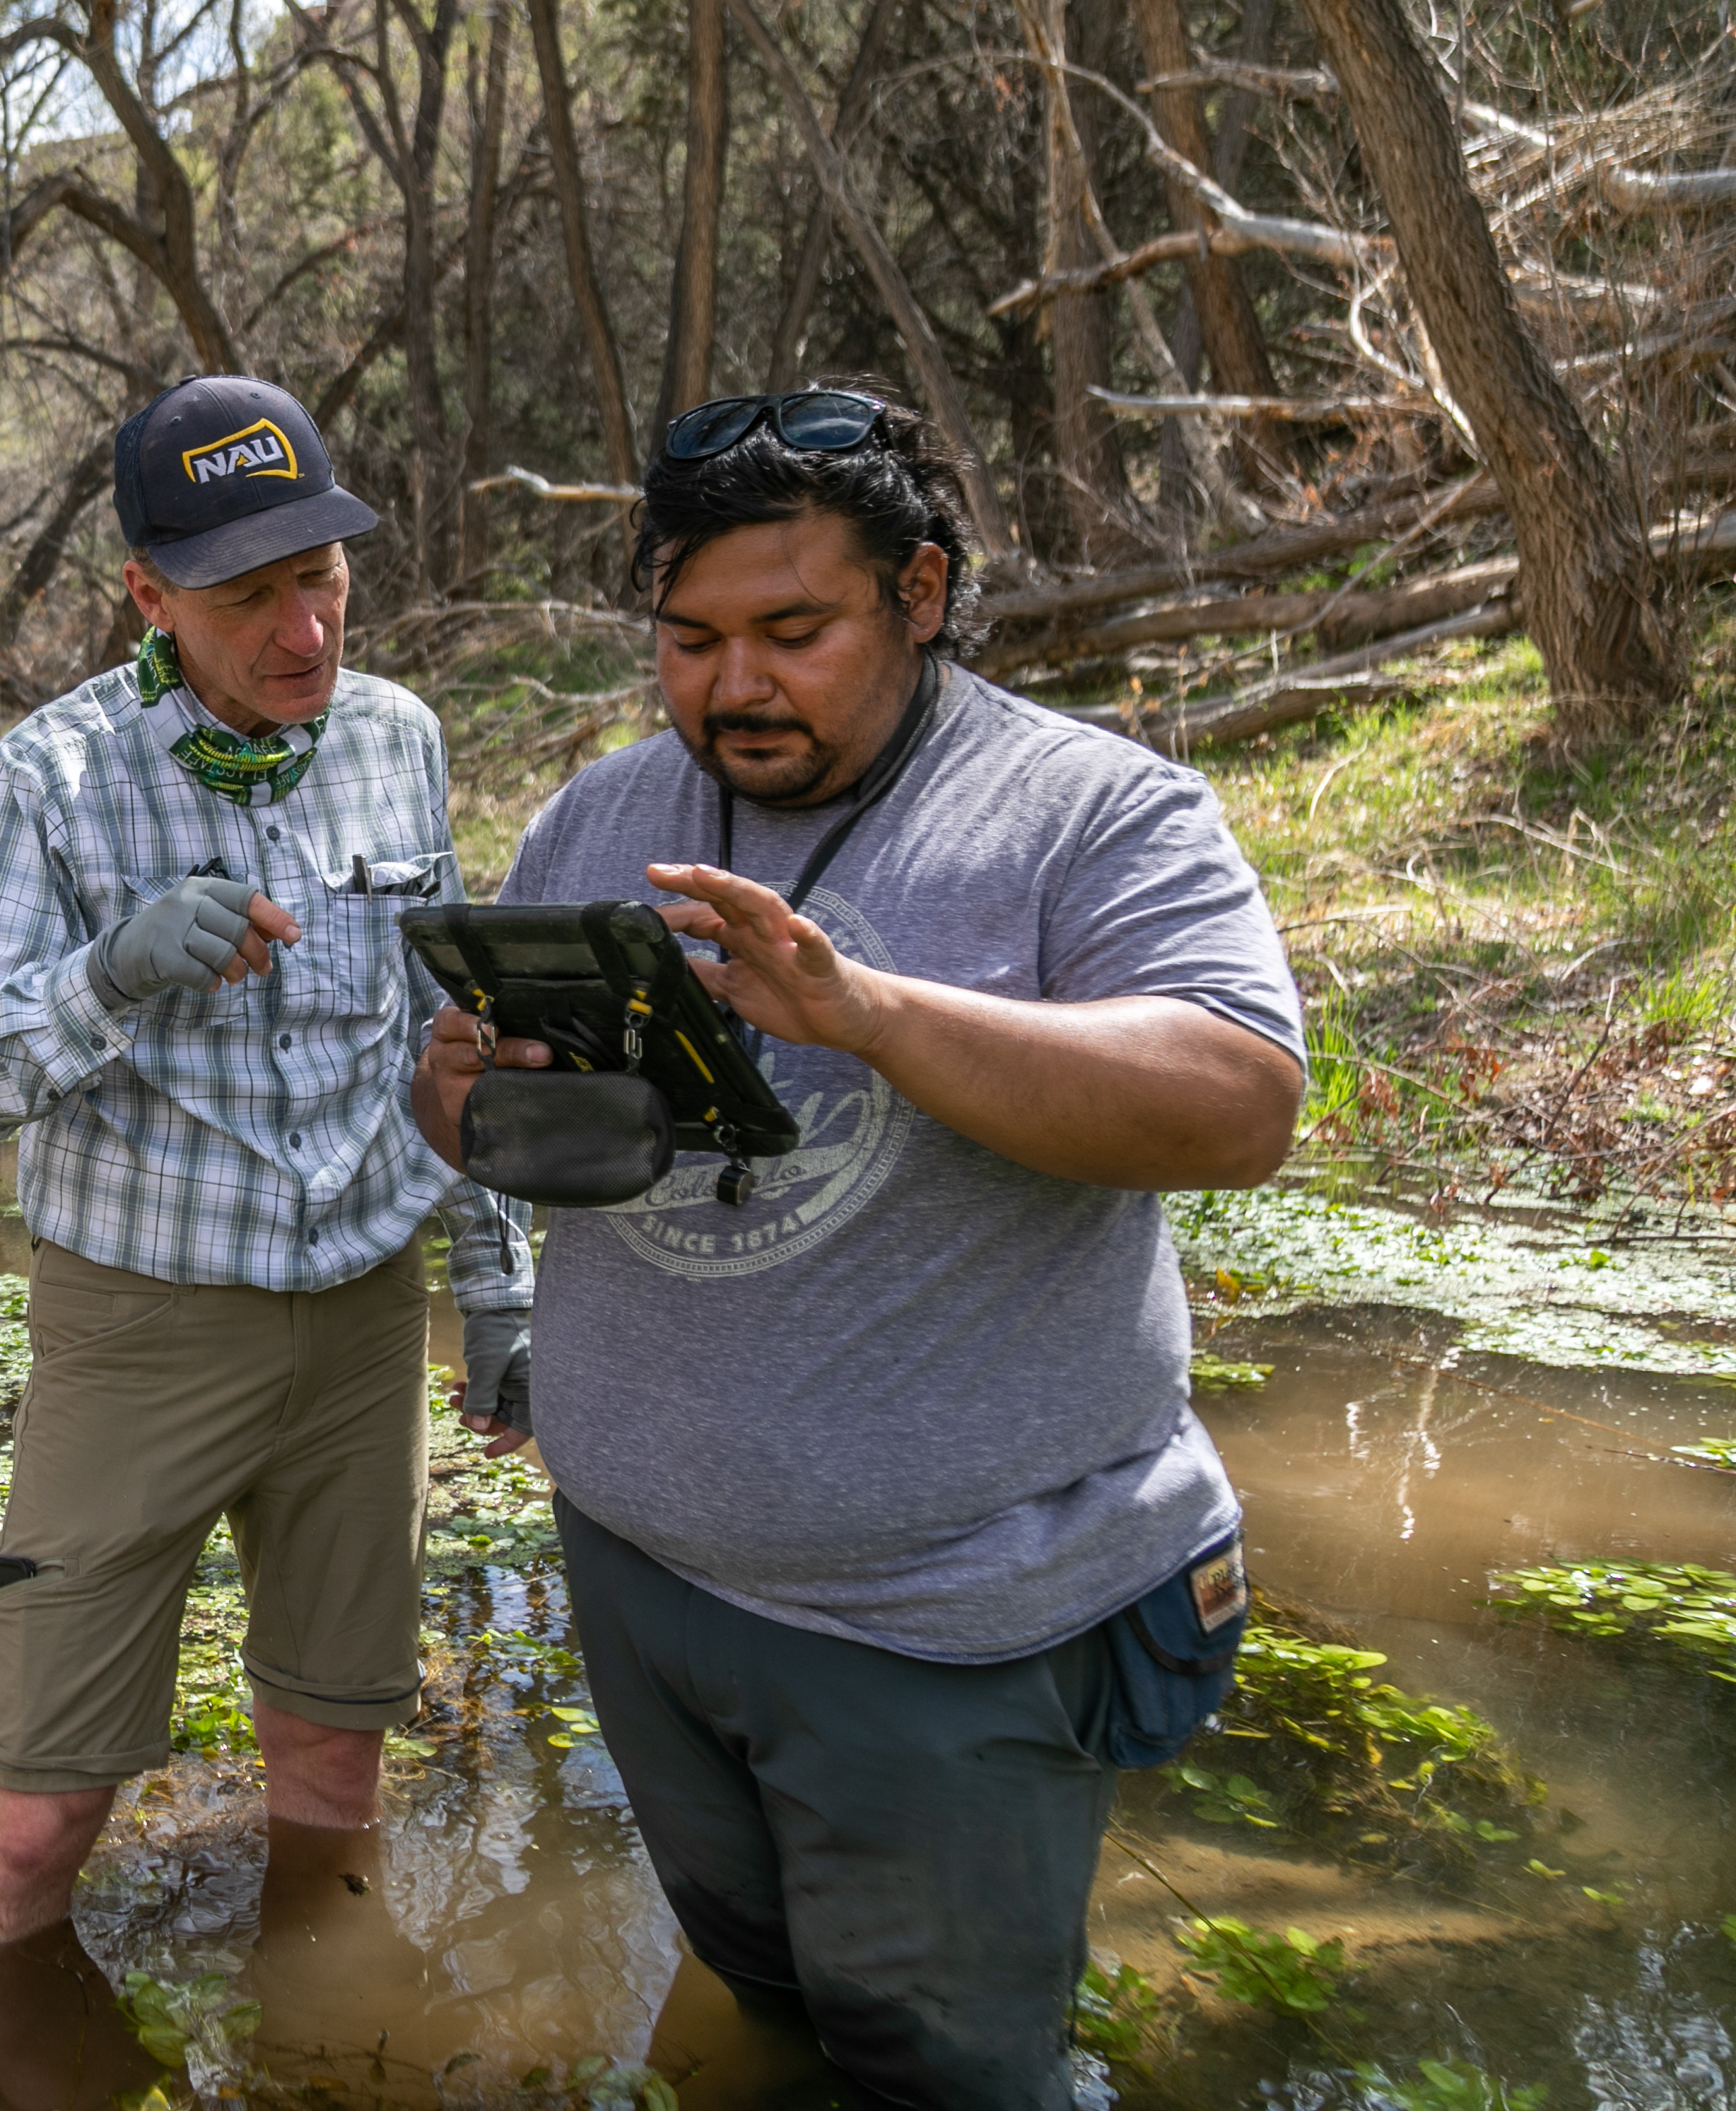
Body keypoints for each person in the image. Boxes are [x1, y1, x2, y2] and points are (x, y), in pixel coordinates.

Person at [414, 386, 1305, 2110]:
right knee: (760, 2009)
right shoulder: (601, 815)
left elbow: (1237, 1101)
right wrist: (462, 1094)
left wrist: (871, 1011)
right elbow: (517, 1151)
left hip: (944, 1625)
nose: (732, 685)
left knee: (947, 2069)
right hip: (645, 1583)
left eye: (792, 630)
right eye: (688, 639)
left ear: (922, 591)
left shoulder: (1088, 811)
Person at [0, 372, 532, 2098]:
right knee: (37, 1818)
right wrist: (107, 973)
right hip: (134, 1335)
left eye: (321, 573)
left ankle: (325, 2062)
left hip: (359, 1329)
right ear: (148, 598)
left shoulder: (398, 740)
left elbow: (447, 1037)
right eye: (247, 592)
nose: (302, 624)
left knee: (335, 1762)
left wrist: (496, 1295)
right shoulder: (57, 778)